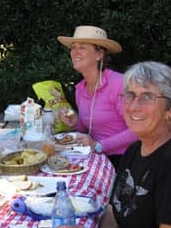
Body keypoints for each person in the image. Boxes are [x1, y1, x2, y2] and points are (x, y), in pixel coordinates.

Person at [50, 61, 171, 228]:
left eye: (147, 97)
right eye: (130, 95)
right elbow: (113, 213)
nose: (134, 106)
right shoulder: (134, 150)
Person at [57, 25, 137, 168]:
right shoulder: (80, 88)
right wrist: (75, 121)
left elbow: (138, 130)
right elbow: (87, 130)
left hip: (124, 160)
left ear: (99, 54)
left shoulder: (119, 84)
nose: (75, 52)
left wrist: (99, 145)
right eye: (73, 47)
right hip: (95, 157)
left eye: (82, 47)